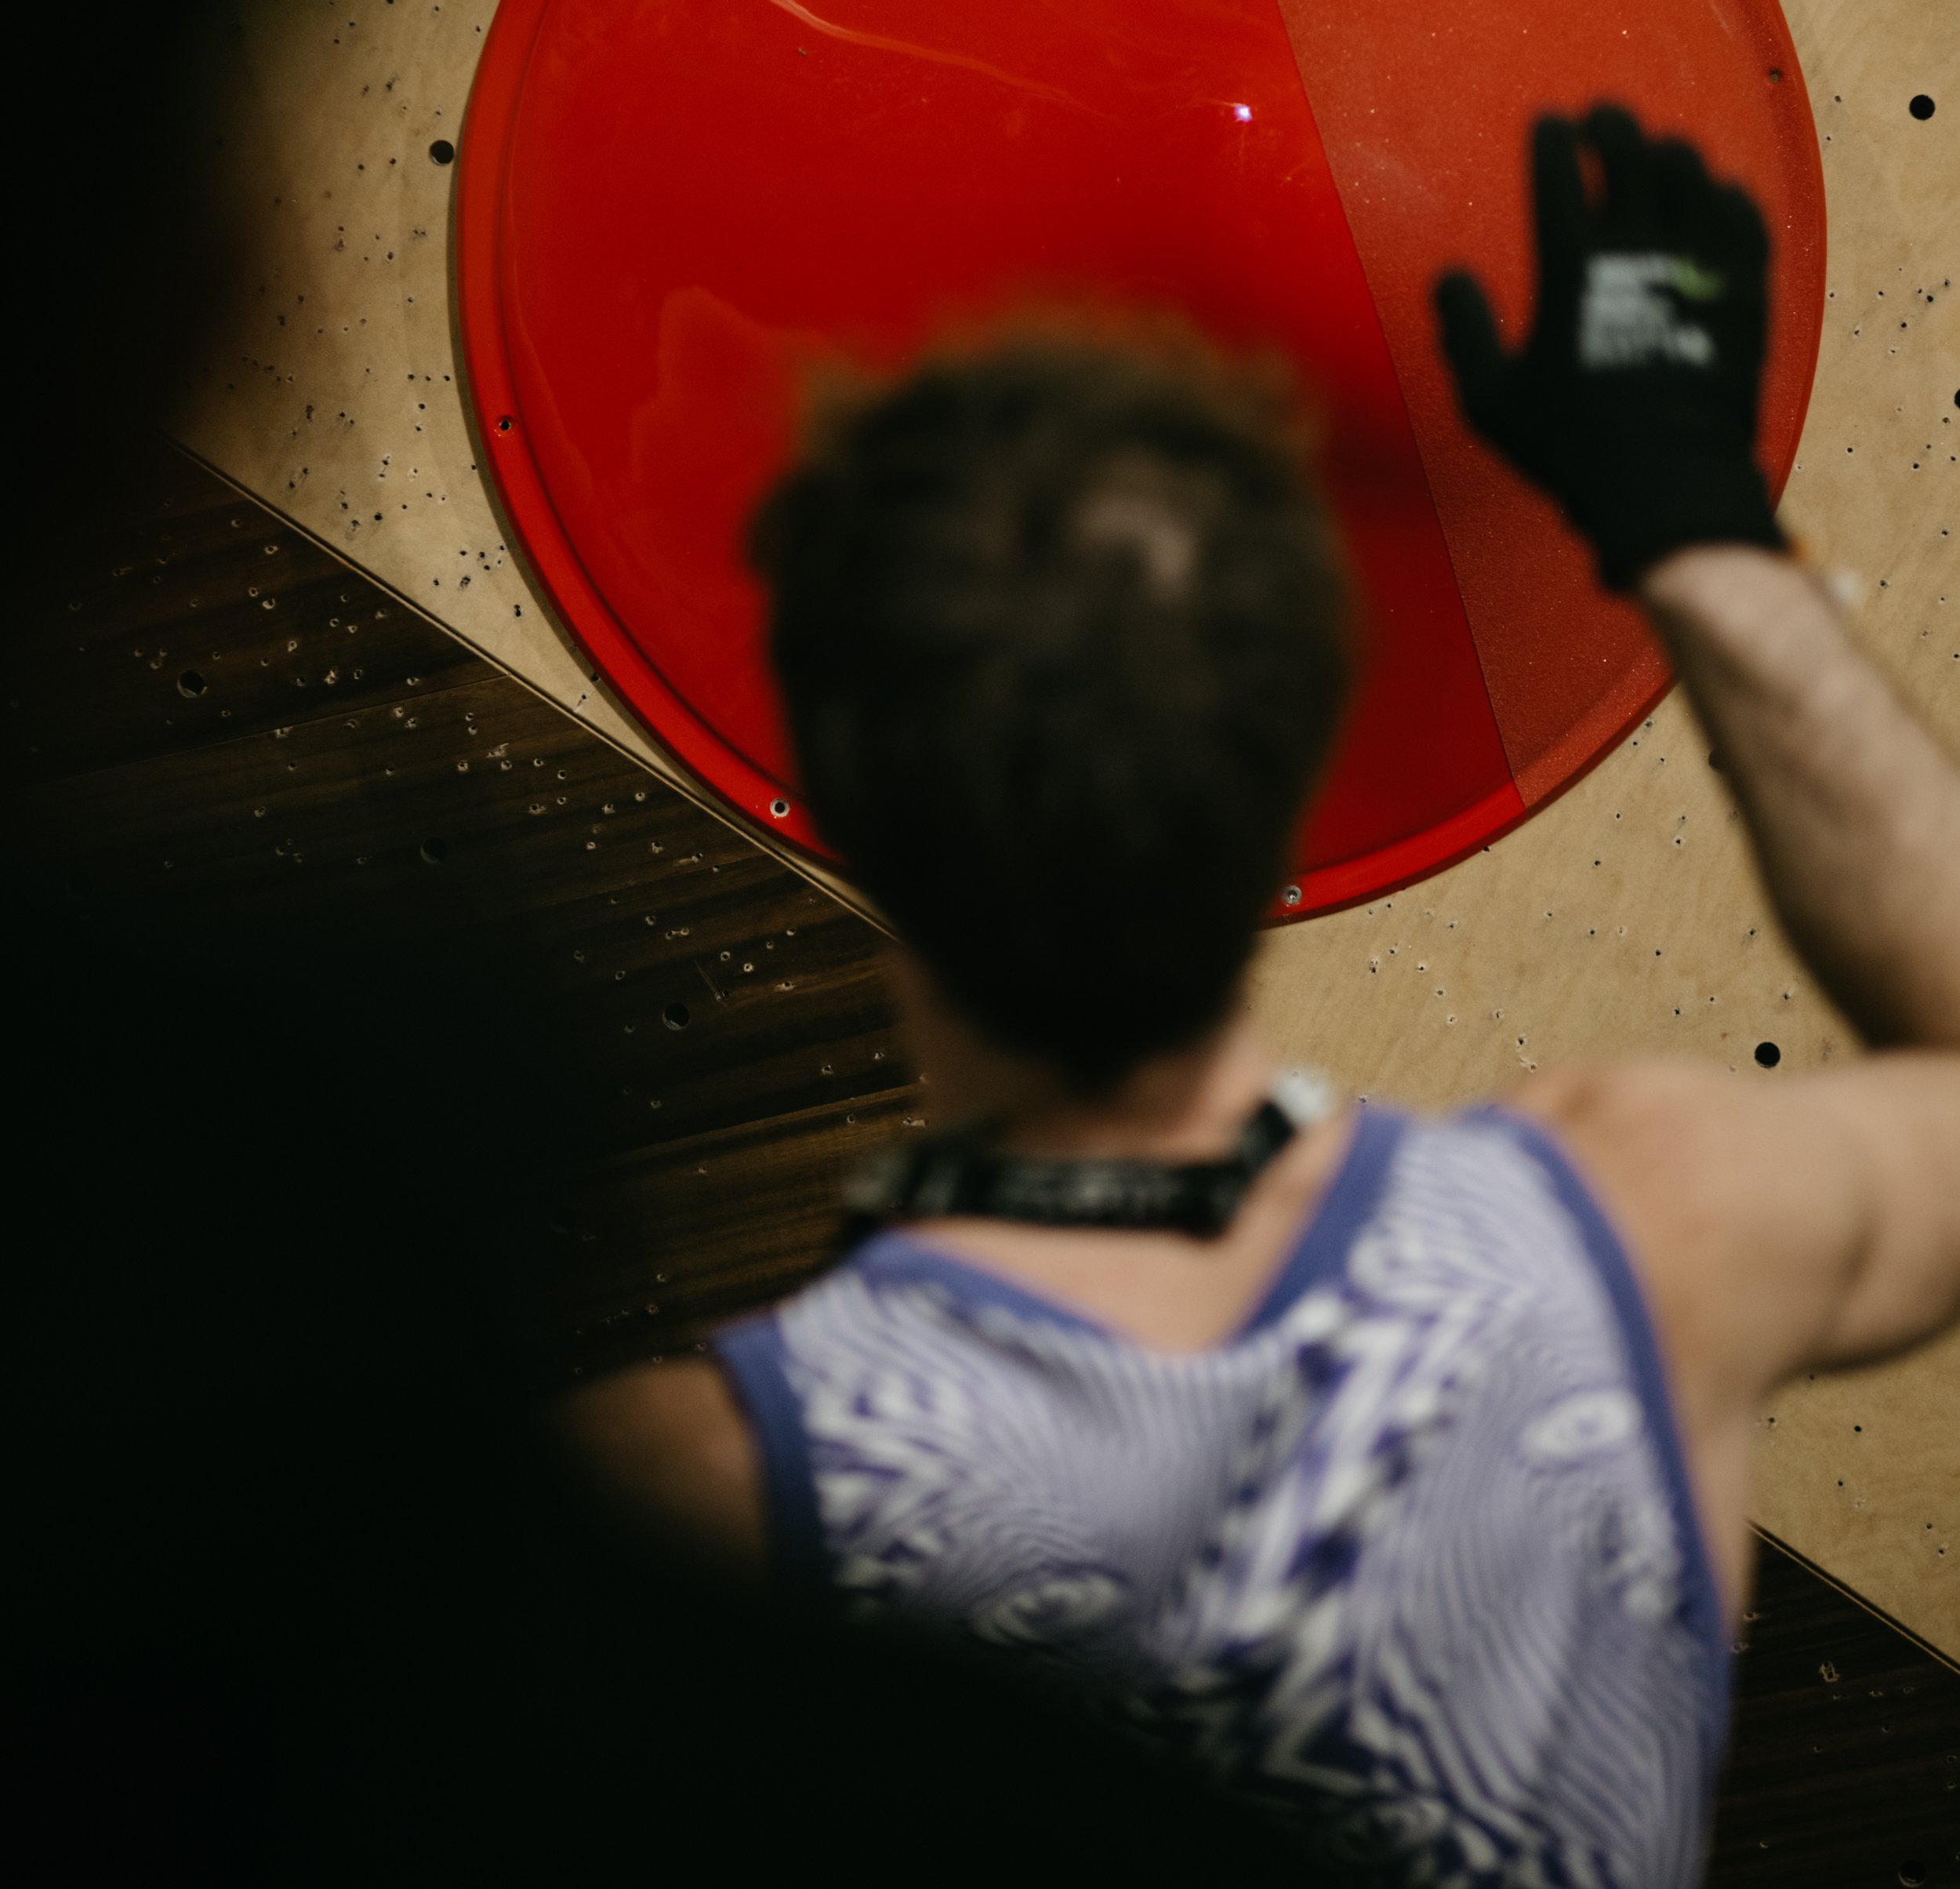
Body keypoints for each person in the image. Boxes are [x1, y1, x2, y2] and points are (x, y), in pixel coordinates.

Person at [566, 105, 1960, 1885]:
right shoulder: (1642, 1242)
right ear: (1299, 758)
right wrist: (1688, 520)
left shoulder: (676, 1509)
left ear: (842, 797)